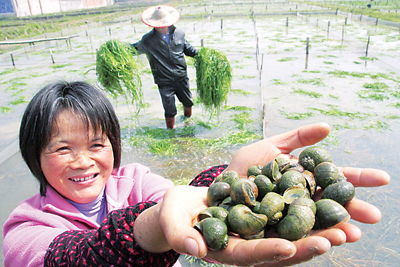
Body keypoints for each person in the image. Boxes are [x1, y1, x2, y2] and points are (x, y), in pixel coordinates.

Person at [2, 80, 390, 266]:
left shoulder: (132, 180)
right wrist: (150, 227)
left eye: (97, 145)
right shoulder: (25, 228)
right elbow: (70, 259)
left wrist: (232, 176)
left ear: (115, 147)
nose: (83, 161)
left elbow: (188, 197)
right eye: (63, 148)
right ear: (35, 156)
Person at [131, 5, 197, 129]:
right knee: (169, 109)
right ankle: (171, 133)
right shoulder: (148, 40)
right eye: (159, 24)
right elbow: (134, 49)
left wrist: (202, 56)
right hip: (164, 81)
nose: (162, 26)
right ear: (153, 24)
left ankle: (188, 123)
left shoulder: (179, 33)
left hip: (181, 76)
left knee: (188, 102)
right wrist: (116, 50)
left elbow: (188, 49)